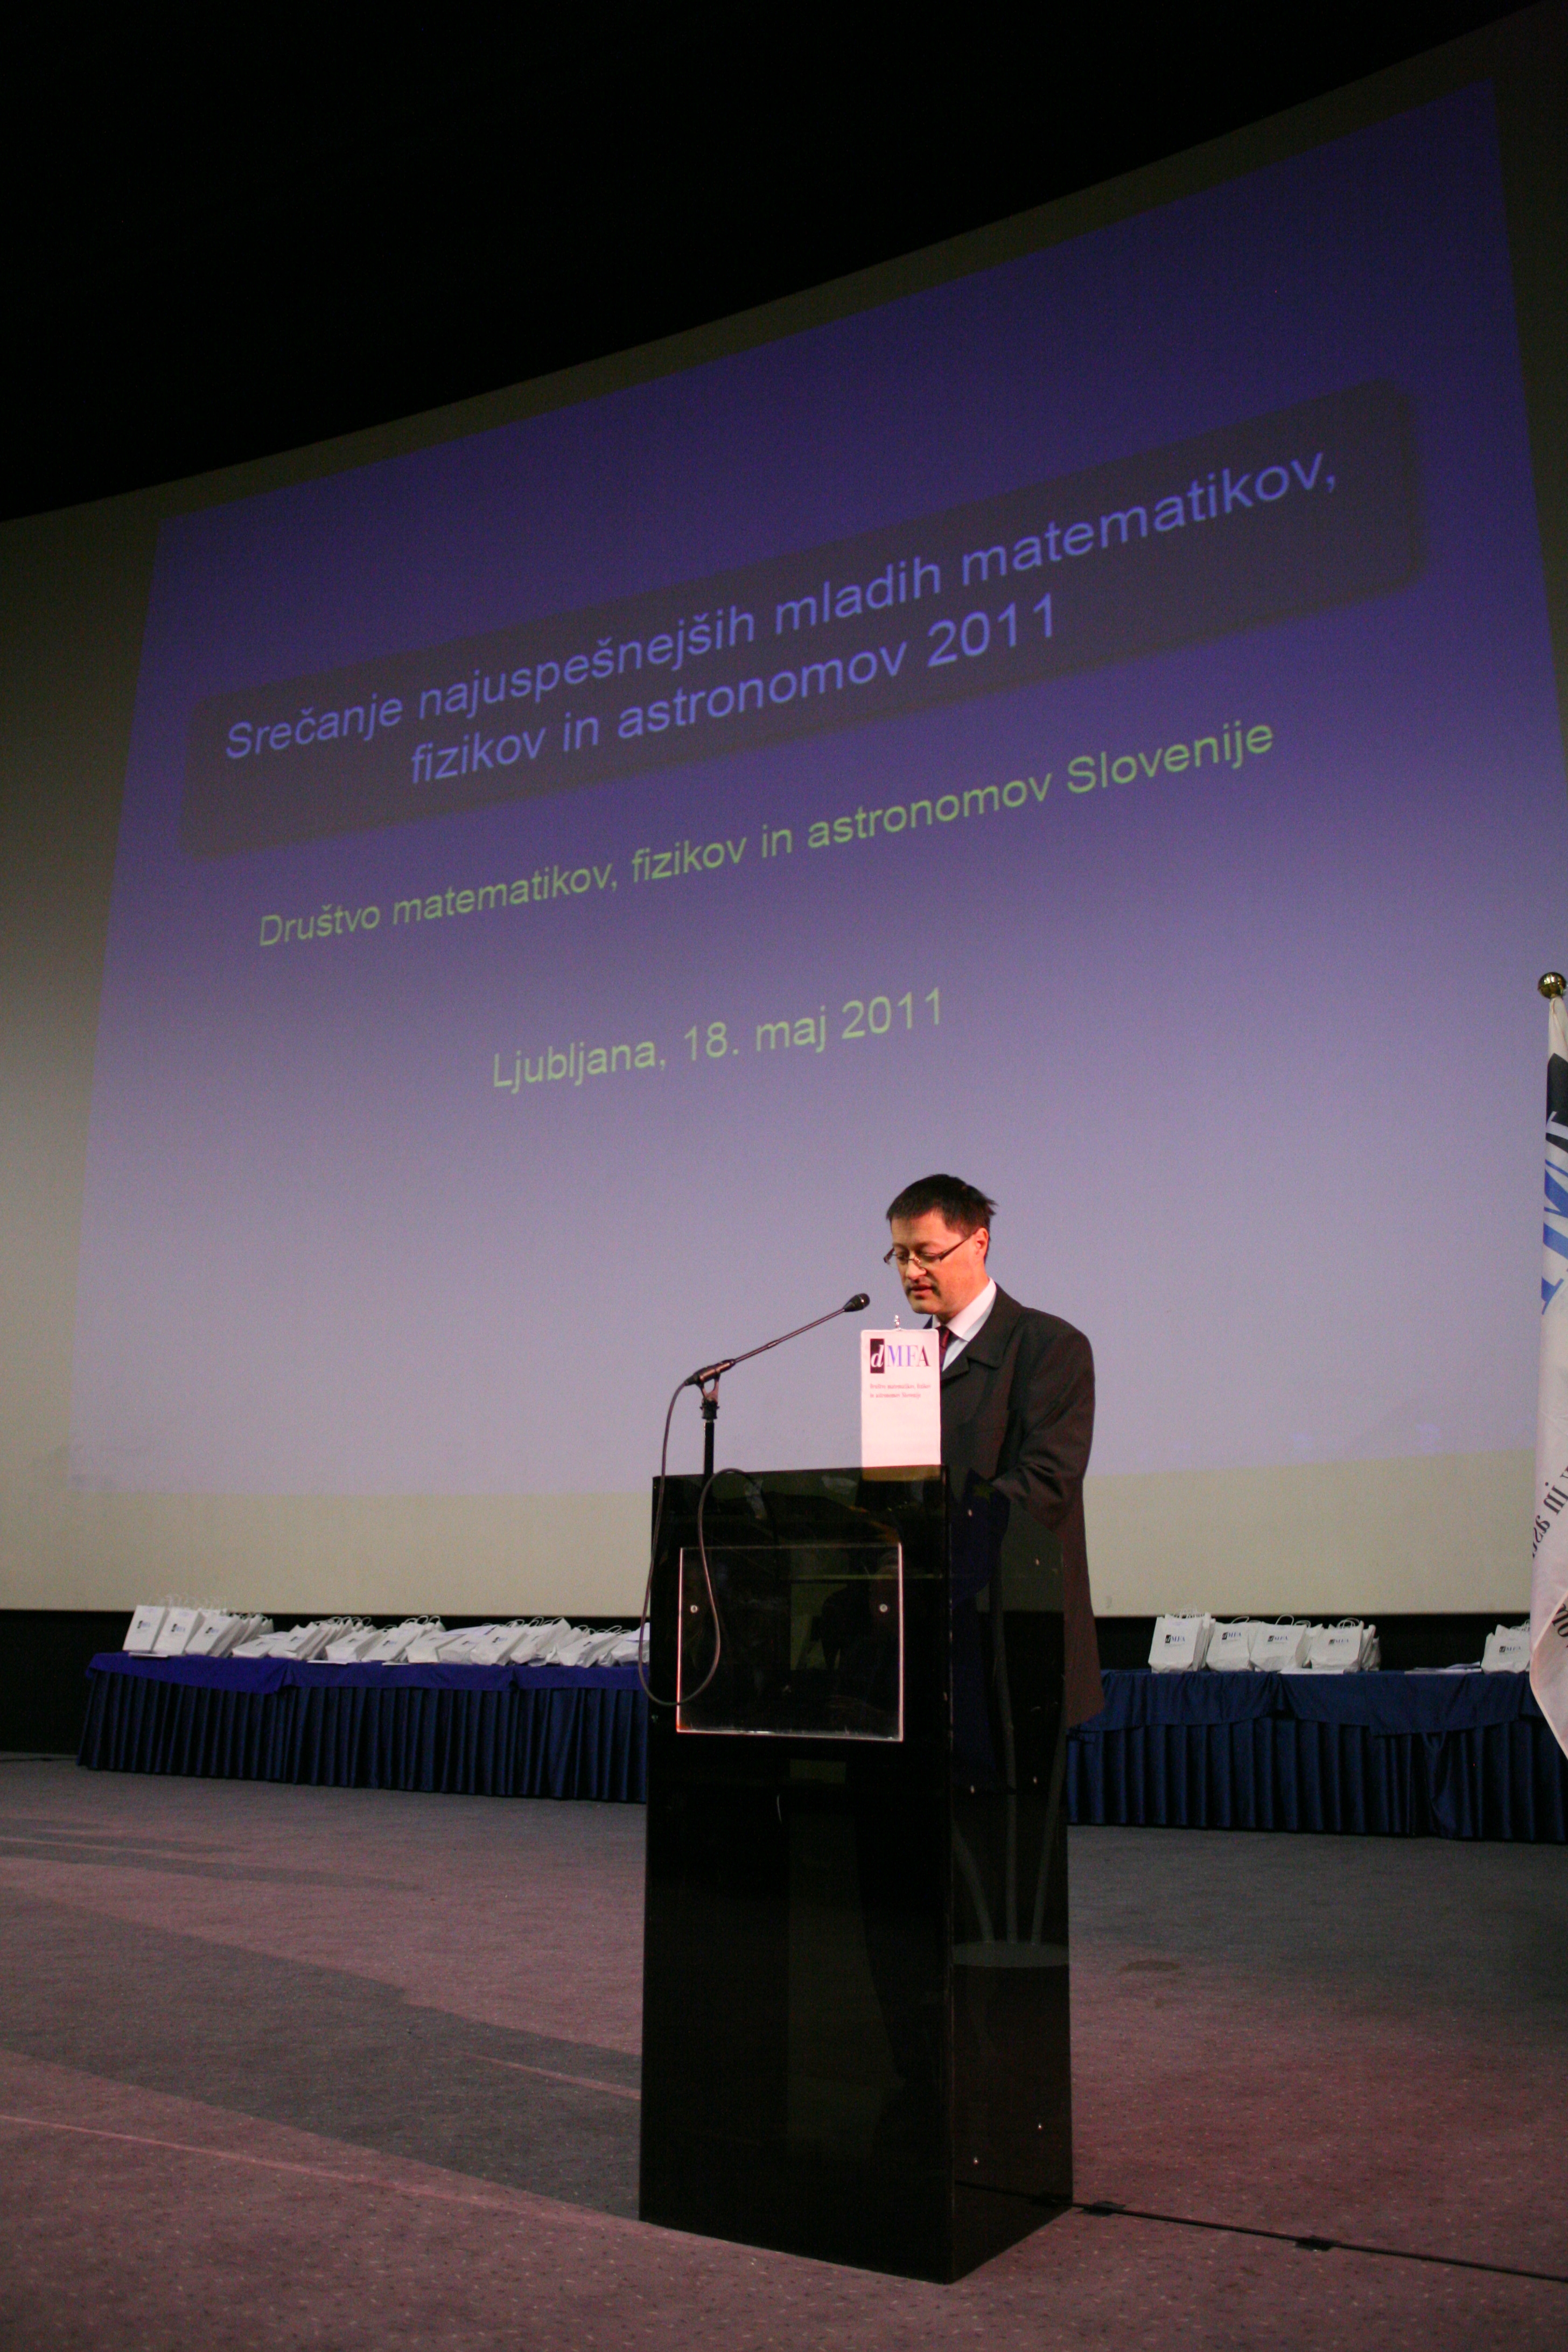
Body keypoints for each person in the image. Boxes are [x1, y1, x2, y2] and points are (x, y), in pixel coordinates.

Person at [884, 1173, 1102, 1725]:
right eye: (900, 1255)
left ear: (978, 1242)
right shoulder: (903, 1359)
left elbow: (1047, 1483)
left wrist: (944, 1522)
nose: (911, 1271)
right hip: (925, 1635)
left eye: (927, 1254)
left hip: (1012, 1632)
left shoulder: (1047, 1346)